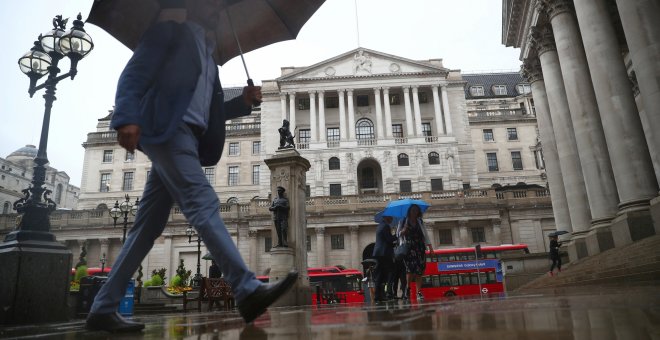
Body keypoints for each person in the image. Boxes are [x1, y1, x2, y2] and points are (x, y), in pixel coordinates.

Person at [85, 0, 297, 332]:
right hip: (168, 131)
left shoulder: (210, 61)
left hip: (188, 138)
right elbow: (134, 74)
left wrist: (243, 103)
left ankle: (103, 307)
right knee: (203, 201)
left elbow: (210, 112)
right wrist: (125, 117)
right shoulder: (169, 32)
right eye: (211, 8)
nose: (216, 12)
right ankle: (246, 288)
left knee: (146, 228)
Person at [397, 204, 433, 301]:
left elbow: (425, 234)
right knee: (410, 269)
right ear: (409, 211)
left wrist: (430, 247)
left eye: (416, 210)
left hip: (420, 247)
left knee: (419, 270)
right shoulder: (403, 220)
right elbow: (398, 234)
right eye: (413, 210)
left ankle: (418, 292)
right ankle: (407, 288)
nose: (414, 212)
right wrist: (403, 231)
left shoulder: (420, 221)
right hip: (409, 247)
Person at [372, 211, 397, 302]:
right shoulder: (386, 226)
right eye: (391, 217)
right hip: (384, 253)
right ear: (386, 217)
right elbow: (389, 240)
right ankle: (389, 292)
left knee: (379, 275)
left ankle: (378, 297)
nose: (392, 219)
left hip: (378, 253)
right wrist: (398, 234)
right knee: (391, 271)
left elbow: (385, 241)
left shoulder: (379, 226)